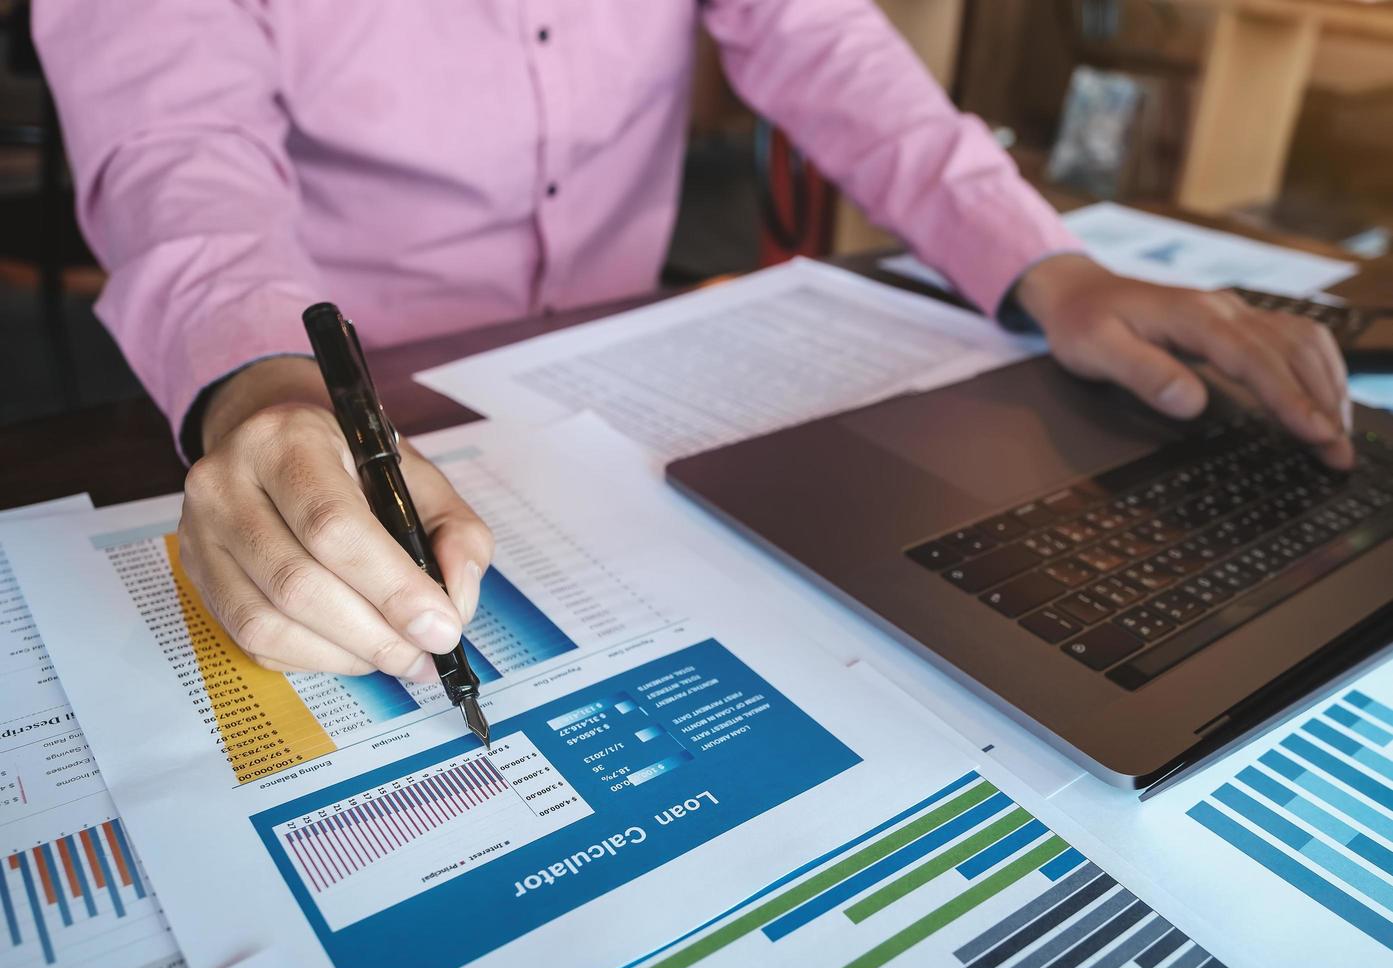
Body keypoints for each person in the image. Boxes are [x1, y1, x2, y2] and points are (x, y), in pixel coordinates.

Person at [35, 1, 1353, 686]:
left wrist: (1043, 262)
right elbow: (175, 142)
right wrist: (256, 375)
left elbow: (817, 36)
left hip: (622, 368)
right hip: (349, 392)